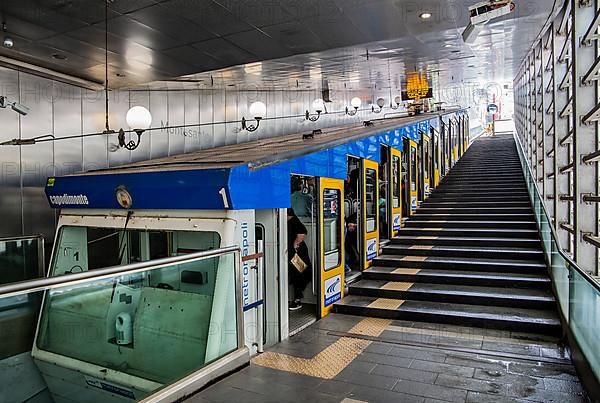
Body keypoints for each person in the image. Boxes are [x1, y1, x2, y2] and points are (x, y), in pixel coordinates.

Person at [287, 208, 312, 311]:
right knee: (296, 274)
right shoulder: (291, 221)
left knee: (298, 274)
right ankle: (296, 299)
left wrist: (295, 245)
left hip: (297, 254)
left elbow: (302, 232)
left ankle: (297, 300)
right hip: (295, 253)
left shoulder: (293, 221)